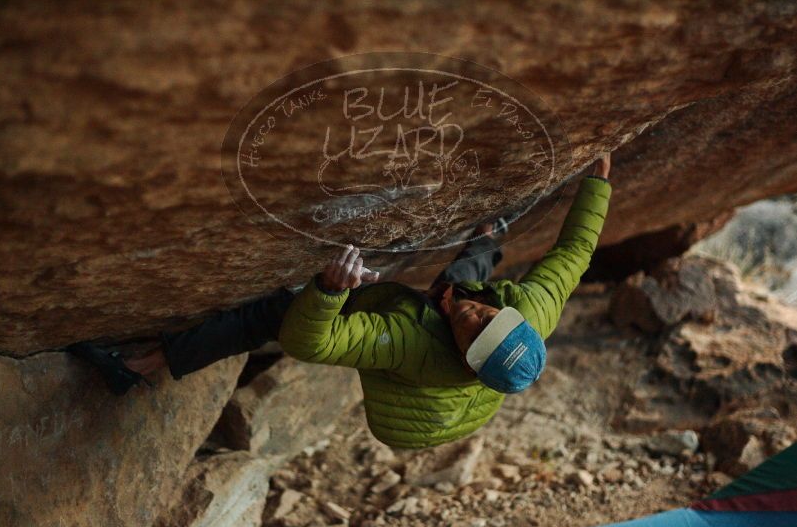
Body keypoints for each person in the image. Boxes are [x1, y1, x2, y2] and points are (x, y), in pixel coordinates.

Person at [69, 154, 612, 449]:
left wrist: (328, 291)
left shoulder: (408, 349)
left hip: (411, 417)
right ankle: (487, 236)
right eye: (490, 316)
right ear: (517, 319)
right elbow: (576, 251)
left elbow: (308, 340)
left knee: (275, 313)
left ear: (466, 355)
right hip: (471, 392)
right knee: (457, 284)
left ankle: (140, 365)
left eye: (474, 331)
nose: (475, 316)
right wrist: (598, 185)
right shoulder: (533, 311)